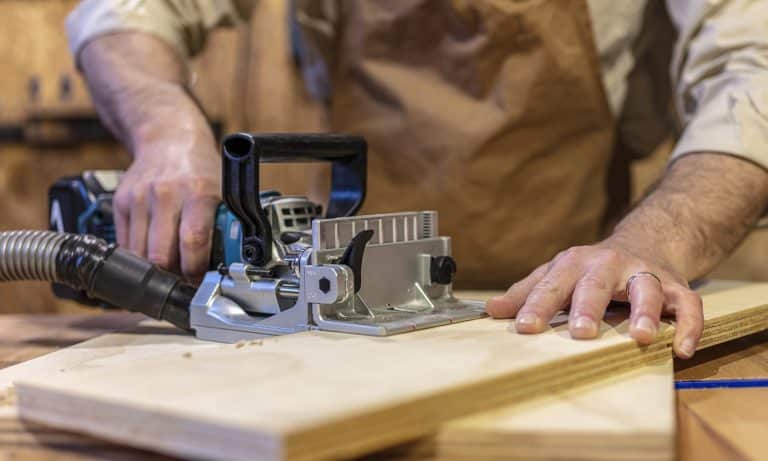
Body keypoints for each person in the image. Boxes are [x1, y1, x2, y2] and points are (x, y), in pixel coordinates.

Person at [65, 0, 768, 359]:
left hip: (577, 313)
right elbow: (125, 11)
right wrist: (163, 129)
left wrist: (657, 242)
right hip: (338, 325)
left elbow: (756, 70)